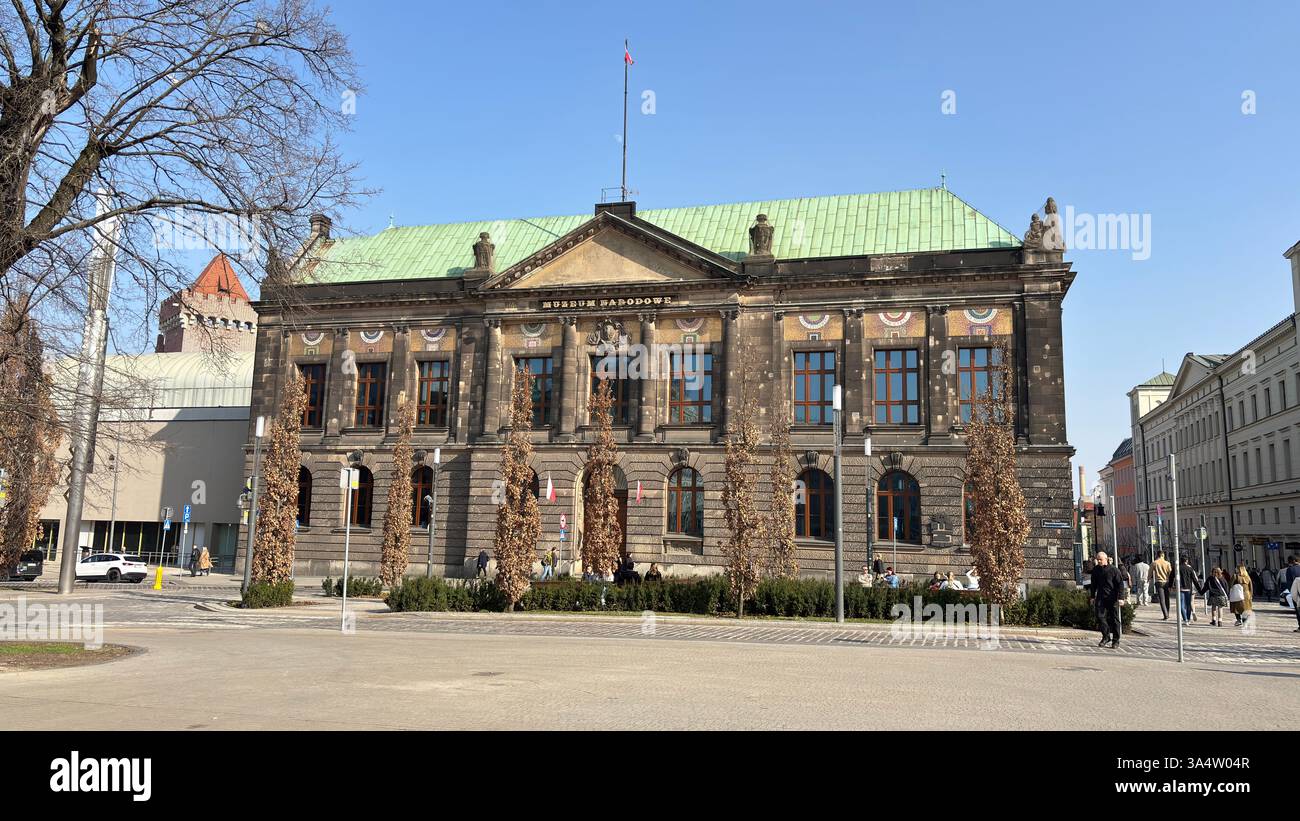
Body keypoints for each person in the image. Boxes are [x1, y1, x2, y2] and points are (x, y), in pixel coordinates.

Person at [1089, 550, 1125, 648]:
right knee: (1100, 617)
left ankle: (1116, 640)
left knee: (1115, 619)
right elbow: (1093, 585)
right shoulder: (1096, 570)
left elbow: (1120, 584)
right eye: (1097, 559)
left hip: (1112, 597)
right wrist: (1092, 596)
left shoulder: (1114, 570)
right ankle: (1106, 636)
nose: (1099, 561)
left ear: (1106, 559)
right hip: (1101, 597)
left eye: (1100, 559)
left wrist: (1121, 598)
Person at [1177, 557, 1200, 625]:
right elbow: (1195, 580)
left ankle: (1185, 619)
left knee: (1181, 604)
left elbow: (1171, 576)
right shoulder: (1190, 569)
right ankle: (1188, 618)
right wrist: (1199, 589)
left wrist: (1170, 585)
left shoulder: (1177, 568)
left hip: (1180, 588)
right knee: (1188, 604)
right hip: (1189, 589)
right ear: (1187, 561)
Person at [1151, 550, 1172, 620]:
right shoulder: (1167, 563)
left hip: (1159, 582)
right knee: (1167, 599)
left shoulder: (1154, 563)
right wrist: (1172, 583)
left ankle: (1165, 615)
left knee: (1162, 600)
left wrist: (1148, 580)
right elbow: (1170, 573)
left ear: (1157, 555)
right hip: (1166, 582)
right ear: (1163, 555)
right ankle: (1168, 613)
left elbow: (1150, 573)